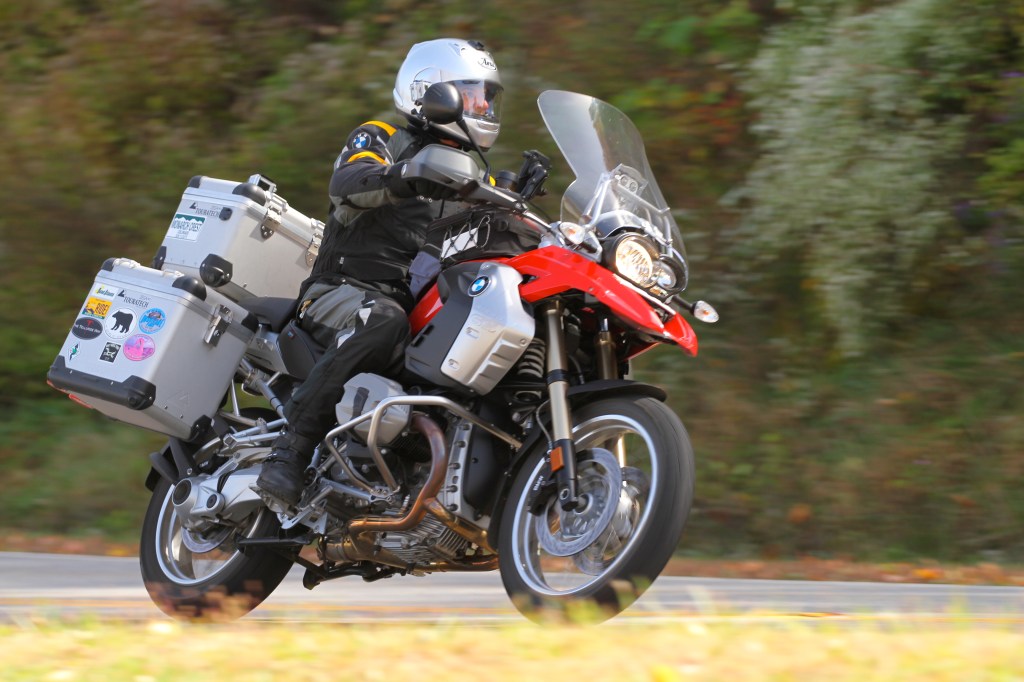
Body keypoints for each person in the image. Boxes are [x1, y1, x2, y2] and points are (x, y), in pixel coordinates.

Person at [256, 38, 504, 507]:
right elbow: (348, 182)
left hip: (418, 309)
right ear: (430, 93)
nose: (483, 107)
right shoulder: (382, 138)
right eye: (472, 95)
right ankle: (291, 448)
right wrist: (405, 176)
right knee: (382, 319)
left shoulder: (476, 178)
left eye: (488, 97)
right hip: (342, 292)